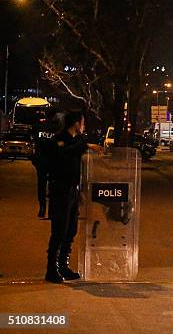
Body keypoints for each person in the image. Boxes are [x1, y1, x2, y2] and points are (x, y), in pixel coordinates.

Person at [45, 110, 103, 283]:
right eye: (83, 123)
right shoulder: (59, 140)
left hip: (73, 191)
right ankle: (51, 269)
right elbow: (63, 155)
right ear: (77, 124)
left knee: (71, 230)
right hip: (60, 191)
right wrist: (86, 146)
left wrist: (81, 191)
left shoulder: (78, 141)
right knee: (59, 231)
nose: (84, 126)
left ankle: (63, 266)